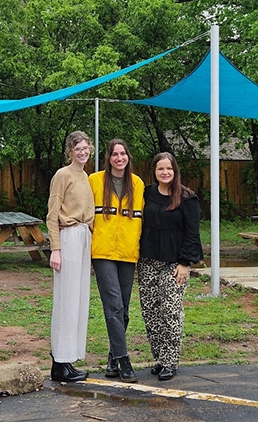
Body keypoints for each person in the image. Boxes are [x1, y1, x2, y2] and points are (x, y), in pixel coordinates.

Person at [138, 152, 203, 381]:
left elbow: (192, 233)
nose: (165, 172)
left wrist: (185, 263)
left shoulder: (187, 198)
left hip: (175, 263)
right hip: (148, 260)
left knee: (171, 311)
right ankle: (160, 357)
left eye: (169, 168)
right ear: (154, 171)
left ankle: (170, 361)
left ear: (175, 171)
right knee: (150, 311)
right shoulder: (147, 193)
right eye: (160, 169)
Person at [89, 139, 144, 383]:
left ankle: (112, 358)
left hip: (128, 252)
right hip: (102, 252)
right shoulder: (95, 180)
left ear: (128, 156)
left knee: (123, 308)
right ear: (108, 158)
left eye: (123, 153)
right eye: (115, 154)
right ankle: (123, 359)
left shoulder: (137, 184)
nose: (119, 158)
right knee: (113, 305)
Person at [45, 130, 95, 383]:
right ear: (70, 152)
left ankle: (69, 359)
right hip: (69, 238)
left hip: (84, 236)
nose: (82, 152)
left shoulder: (85, 176)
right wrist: (56, 248)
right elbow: (52, 214)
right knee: (66, 298)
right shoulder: (62, 175)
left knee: (79, 299)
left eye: (85, 148)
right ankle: (59, 362)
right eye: (78, 149)